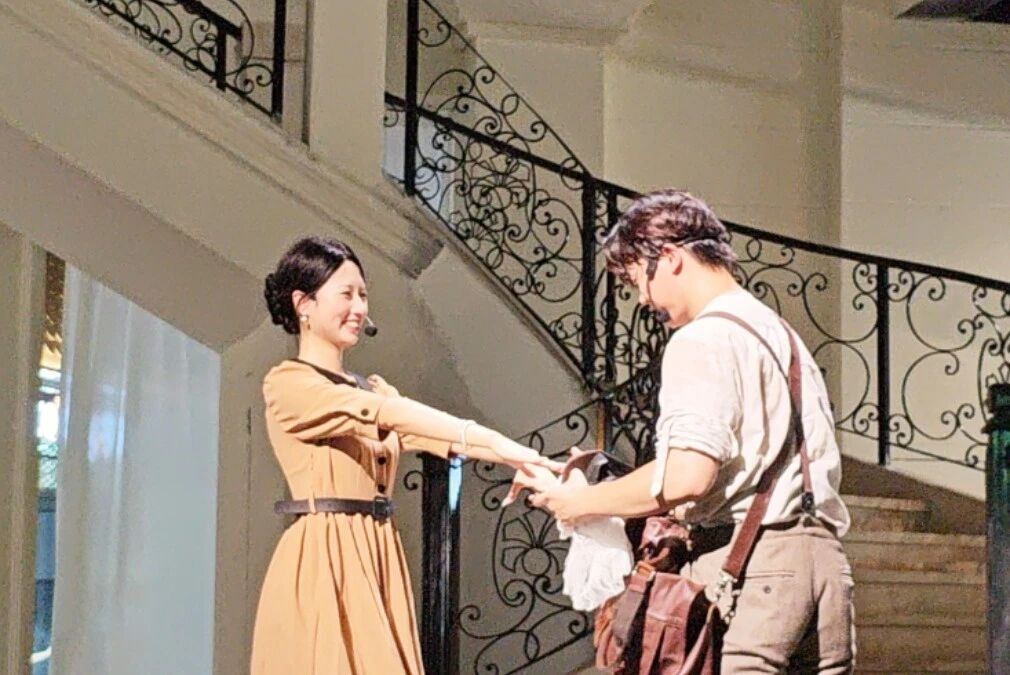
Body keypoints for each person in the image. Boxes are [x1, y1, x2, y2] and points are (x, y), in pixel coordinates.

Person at [525, 190, 856, 673]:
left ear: (670, 257)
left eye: (637, 279)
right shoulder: (778, 333)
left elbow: (687, 477)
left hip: (755, 567)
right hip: (823, 563)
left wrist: (581, 504)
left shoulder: (702, 338)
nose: (643, 299)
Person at [250, 236, 552, 675]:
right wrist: (497, 442)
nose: (359, 307)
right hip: (325, 555)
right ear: (304, 303)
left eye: (363, 295)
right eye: (346, 294)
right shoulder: (289, 384)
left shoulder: (373, 388)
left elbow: (432, 435)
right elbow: (388, 415)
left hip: (377, 551)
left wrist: (521, 458)